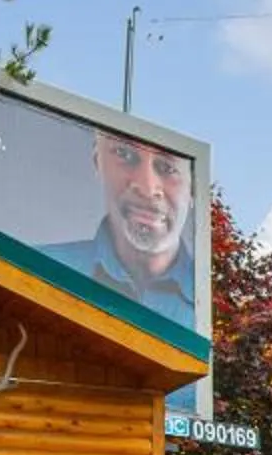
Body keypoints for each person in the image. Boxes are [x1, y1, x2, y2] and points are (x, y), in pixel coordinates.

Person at [41, 128, 198, 326]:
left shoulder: (206, 306)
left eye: (168, 168)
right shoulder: (34, 268)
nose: (147, 188)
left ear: (194, 187)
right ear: (98, 161)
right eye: (125, 155)